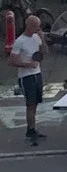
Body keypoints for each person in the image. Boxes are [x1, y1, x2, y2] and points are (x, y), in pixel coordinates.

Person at [8, 15, 47, 145]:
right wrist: (28, 65)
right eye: (36, 26)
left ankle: (33, 128)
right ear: (29, 26)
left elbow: (44, 52)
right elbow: (12, 61)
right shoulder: (20, 41)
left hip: (37, 74)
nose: (38, 29)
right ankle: (30, 130)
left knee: (36, 102)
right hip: (26, 76)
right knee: (30, 104)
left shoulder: (36, 37)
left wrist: (42, 39)